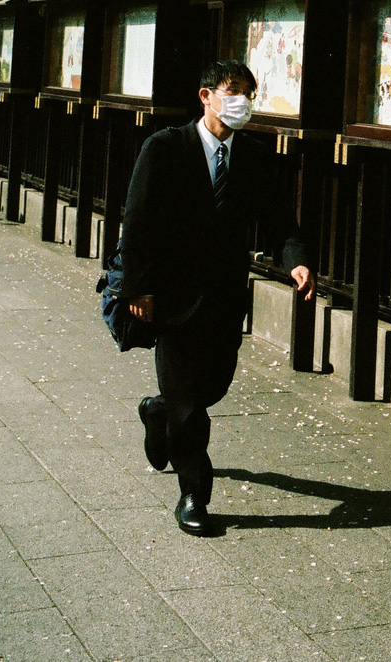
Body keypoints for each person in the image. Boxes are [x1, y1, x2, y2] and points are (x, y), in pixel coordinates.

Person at [118, 60, 314, 536]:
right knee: (190, 406)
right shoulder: (164, 149)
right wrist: (138, 288)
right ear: (206, 94)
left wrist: (295, 261)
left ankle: (157, 410)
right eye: (233, 90)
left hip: (226, 297)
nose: (242, 100)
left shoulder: (255, 156)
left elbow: (278, 221)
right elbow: (137, 221)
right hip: (171, 297)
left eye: (250, 91)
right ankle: (193, 495)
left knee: (211, 390)